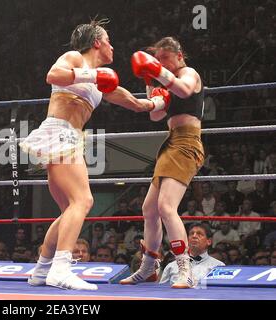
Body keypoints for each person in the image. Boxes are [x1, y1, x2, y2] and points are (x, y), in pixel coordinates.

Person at [21, 19, 164, 291]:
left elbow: (133, 103)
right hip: (60, 132)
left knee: (68, 211)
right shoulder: (75, 58)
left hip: (69, 136)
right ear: (97, 42)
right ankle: (61, 269)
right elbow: (53, 75)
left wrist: (158, 101)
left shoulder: (102, 79)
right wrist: (91, 76)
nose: (112, 45)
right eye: (108, 40)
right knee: (83, 200)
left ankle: (41, 271)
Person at [120, 37, 205, 289]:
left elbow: (185, 90)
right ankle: (149, 268)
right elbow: (156, 114)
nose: (161, 65)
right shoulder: (166, 83)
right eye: (157, 61)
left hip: (188, 143)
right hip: (171, 143)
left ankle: (185, 269)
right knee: (150, 209)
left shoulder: (189, 73)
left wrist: (157, 71)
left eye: (165, 59)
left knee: (167, 206)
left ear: (179, 56)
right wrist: (149, 83)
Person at [159, 224, 224, 286]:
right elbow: (162, 290)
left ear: (209, 241)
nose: (194, 236)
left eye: (199, 234)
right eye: (191, 234)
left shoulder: (218, 266)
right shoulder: (171, 266)